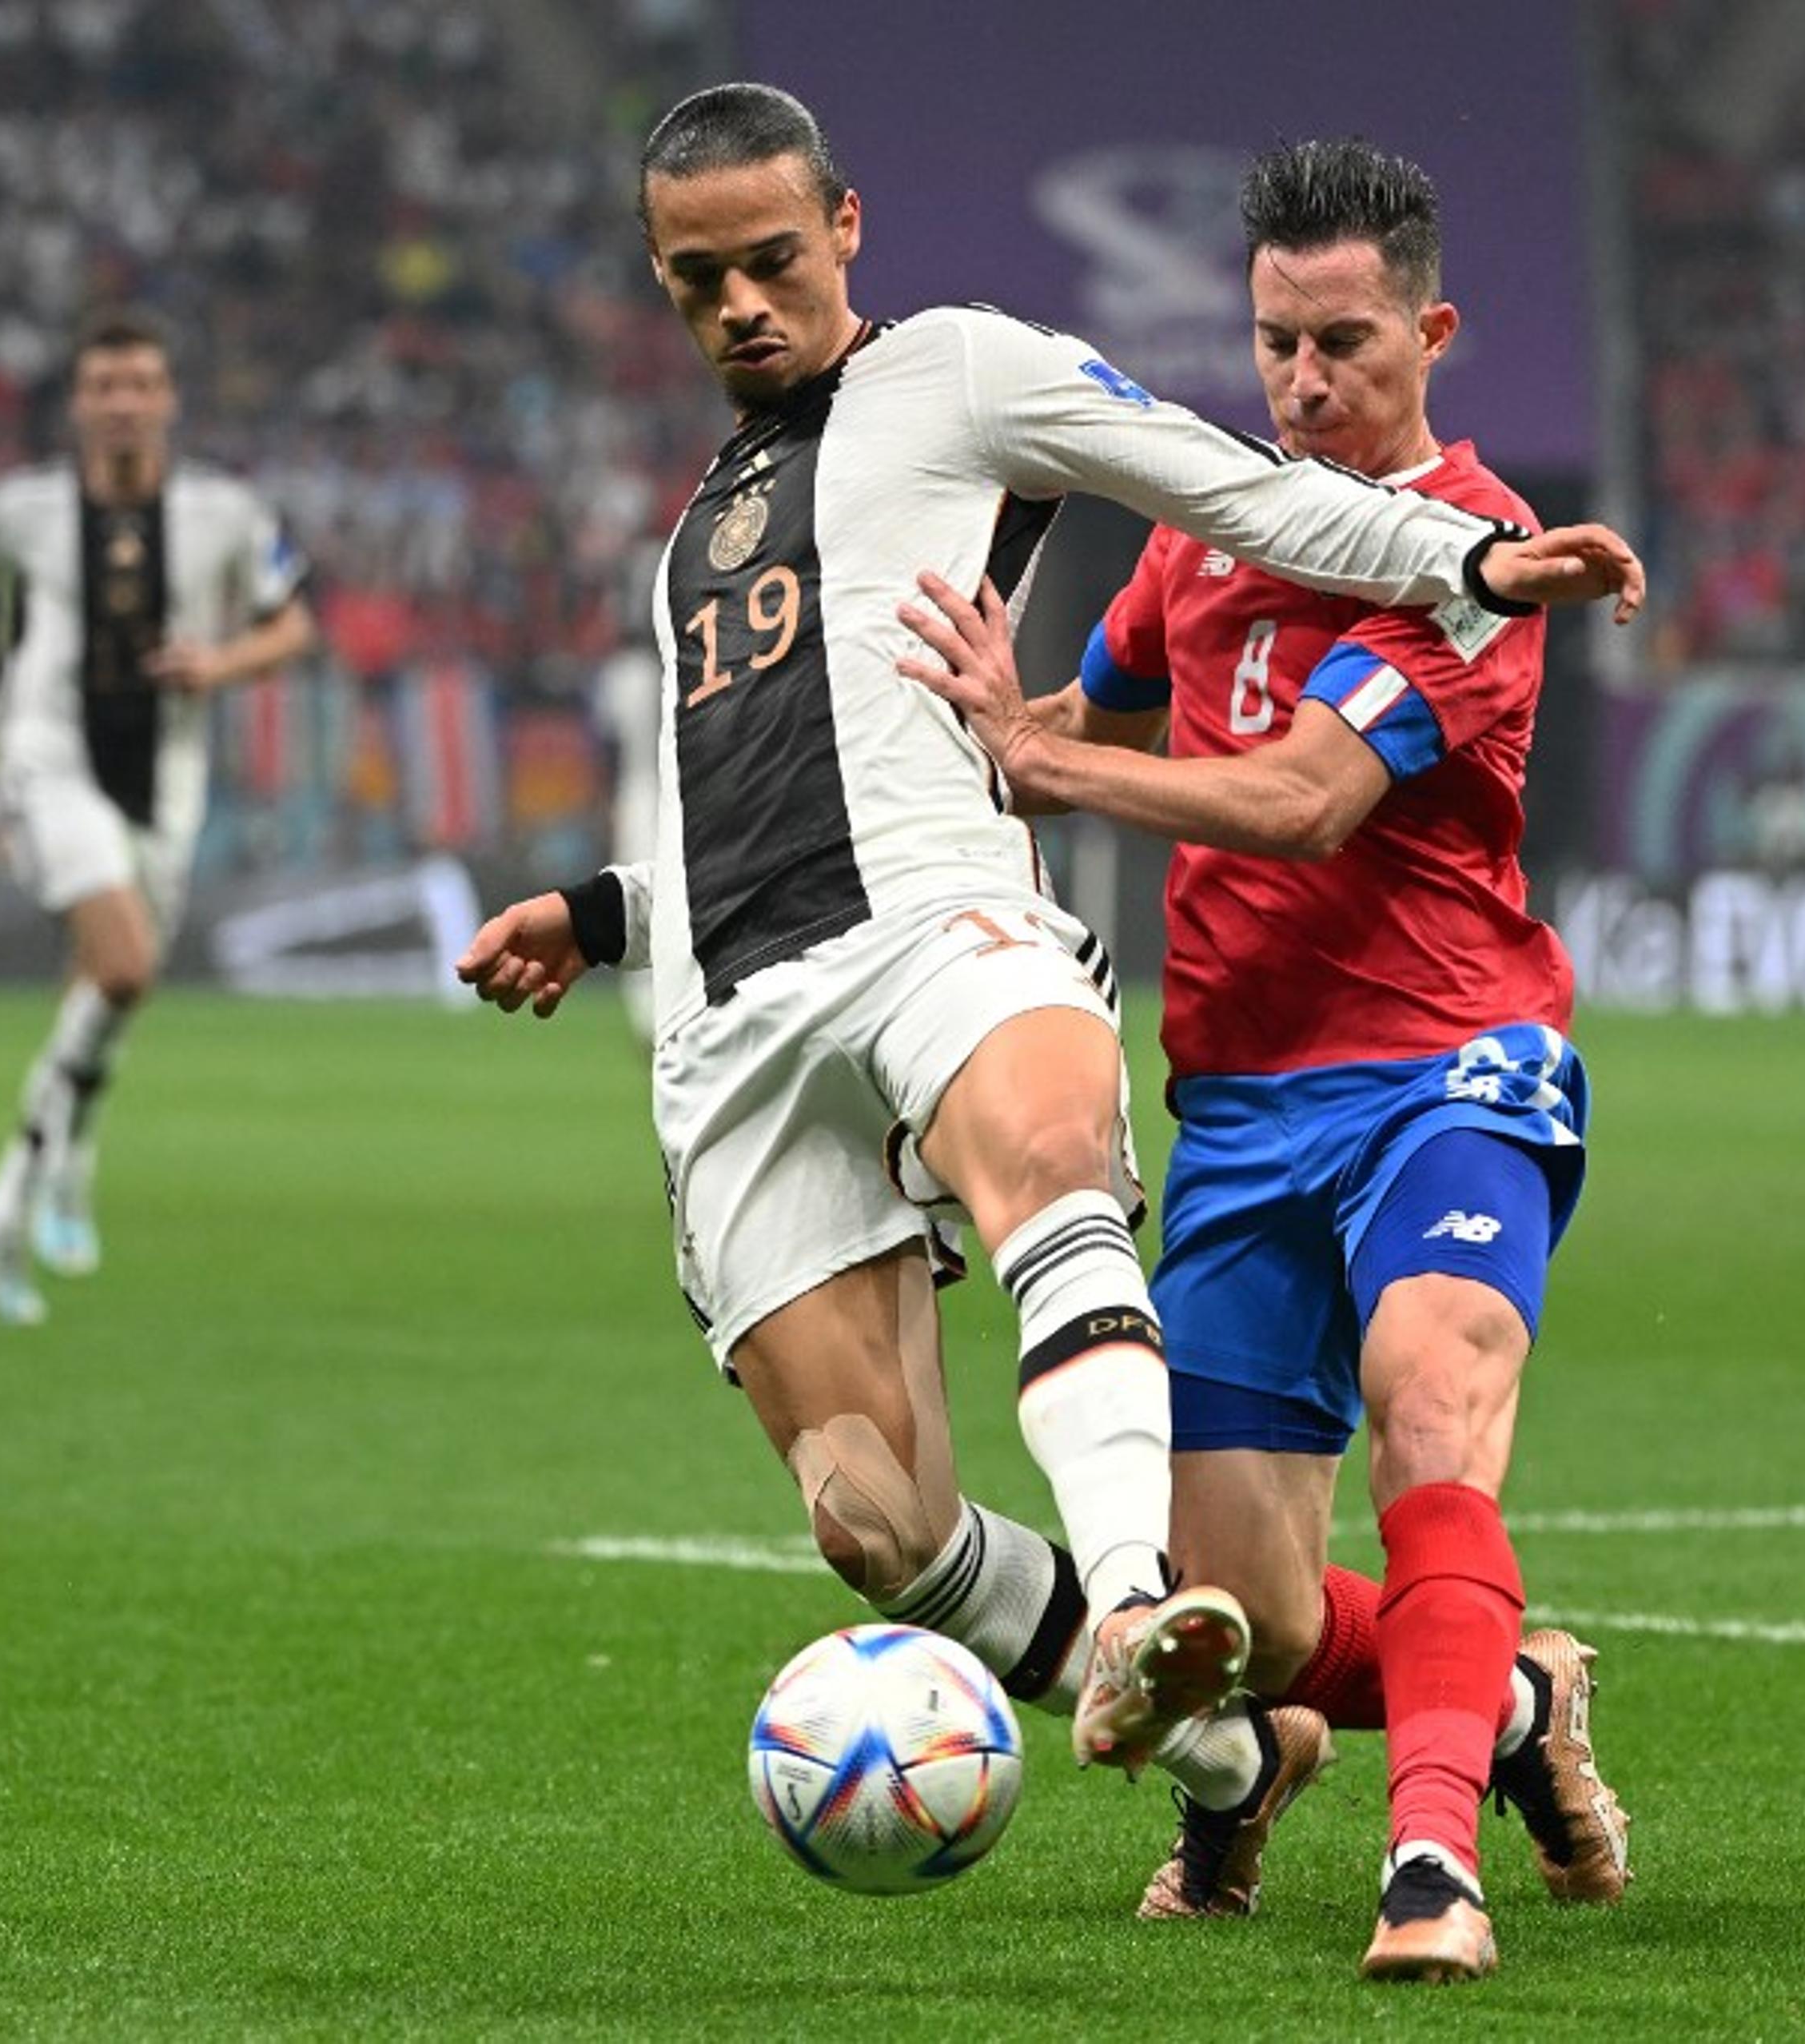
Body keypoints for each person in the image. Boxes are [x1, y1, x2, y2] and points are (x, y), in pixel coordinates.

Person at [456, 86, 1644, 1811]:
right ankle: (1239, 1746)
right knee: (874, 1520)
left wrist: (1465, 552)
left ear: (846, 227)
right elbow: (749, 807)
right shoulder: (689, 544)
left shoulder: (956, 369)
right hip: (735, 1018)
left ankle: (1145, 1604)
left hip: (946, 921)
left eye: (773, 261)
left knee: (1045, 1157)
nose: (741, 306)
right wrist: (600, 913)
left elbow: (1250, 492)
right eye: (698, 281)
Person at [897, 139, 1631, 1982]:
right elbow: (1079, 715)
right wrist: (971, 724)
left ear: (1432, 333)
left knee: (1429, 1406)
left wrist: (1051, 768)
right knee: (1253, 1619)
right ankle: (1515, 1699)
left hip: (1450, 1064)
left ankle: (1429, 1866)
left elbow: (1302, 801)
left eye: (1342, 345)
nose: (1301, 384)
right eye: (1274, 345)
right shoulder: (1203, 526)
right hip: (1236, 1109)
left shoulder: (1477, 561)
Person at [0, 309, 316, 1326]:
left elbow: (296, 622)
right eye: (103, 386)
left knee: (113, 988)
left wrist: (220, 663)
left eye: (140, 385)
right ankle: (9, 1201)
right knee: (121, 966)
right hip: (49, 760)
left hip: (169, 773)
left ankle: (65, 1165)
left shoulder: (226, 513)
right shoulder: (22, 509)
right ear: (77, 405)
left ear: (167, 401)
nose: (122, 403)